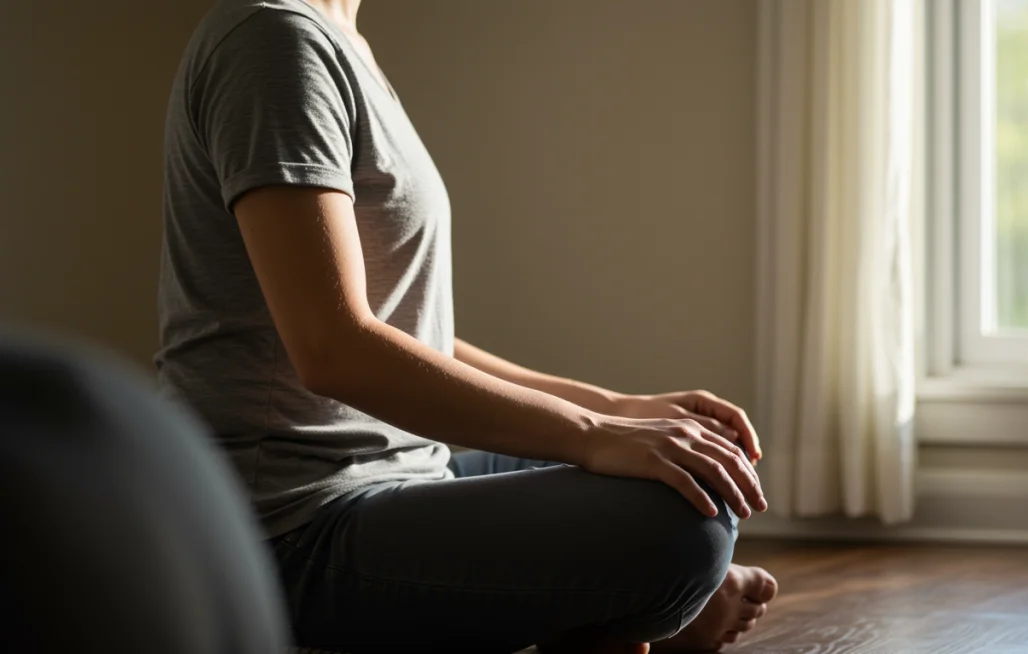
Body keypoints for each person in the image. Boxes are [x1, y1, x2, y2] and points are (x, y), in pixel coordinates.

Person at [156, 0, 777, 651]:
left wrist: (616, 410)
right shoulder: (271, 40)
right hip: (287, 533)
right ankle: (646, 604)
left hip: (406, 468)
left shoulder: (338, 43)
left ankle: (635, 604)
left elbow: (408, 331)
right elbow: (331, 347)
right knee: (681, 525)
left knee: (692, 469)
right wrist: (595, 433)